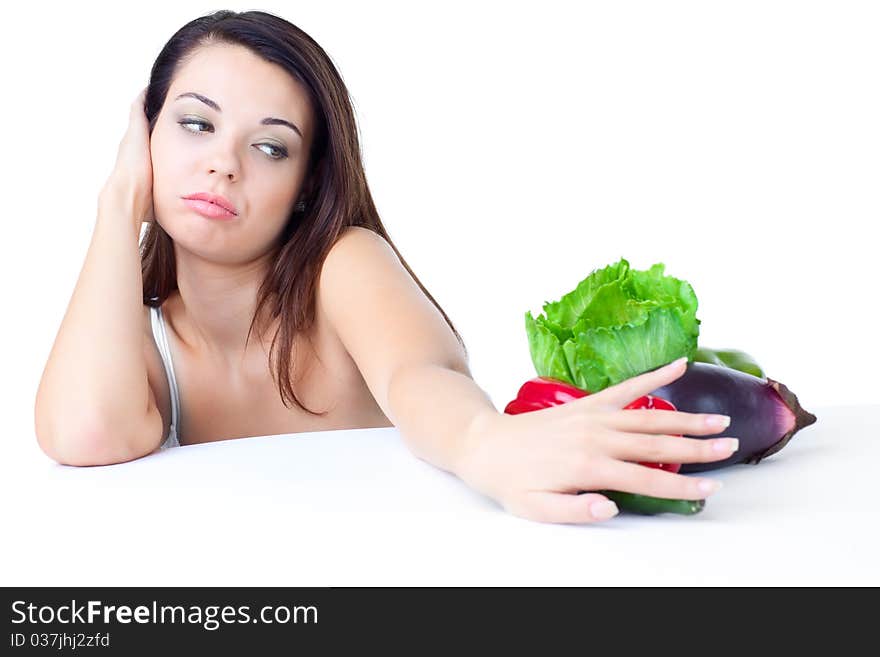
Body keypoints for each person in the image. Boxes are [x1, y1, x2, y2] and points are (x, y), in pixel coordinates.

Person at [34, 9, 736, 525]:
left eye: (271, 148)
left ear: (308, 182)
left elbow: (421, 376)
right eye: (195, 124)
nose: (223, 162)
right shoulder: (145, 342)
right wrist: (117, 203)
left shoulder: (344, 262)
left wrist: (482, 442)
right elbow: (87, 431)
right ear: (145, 135)